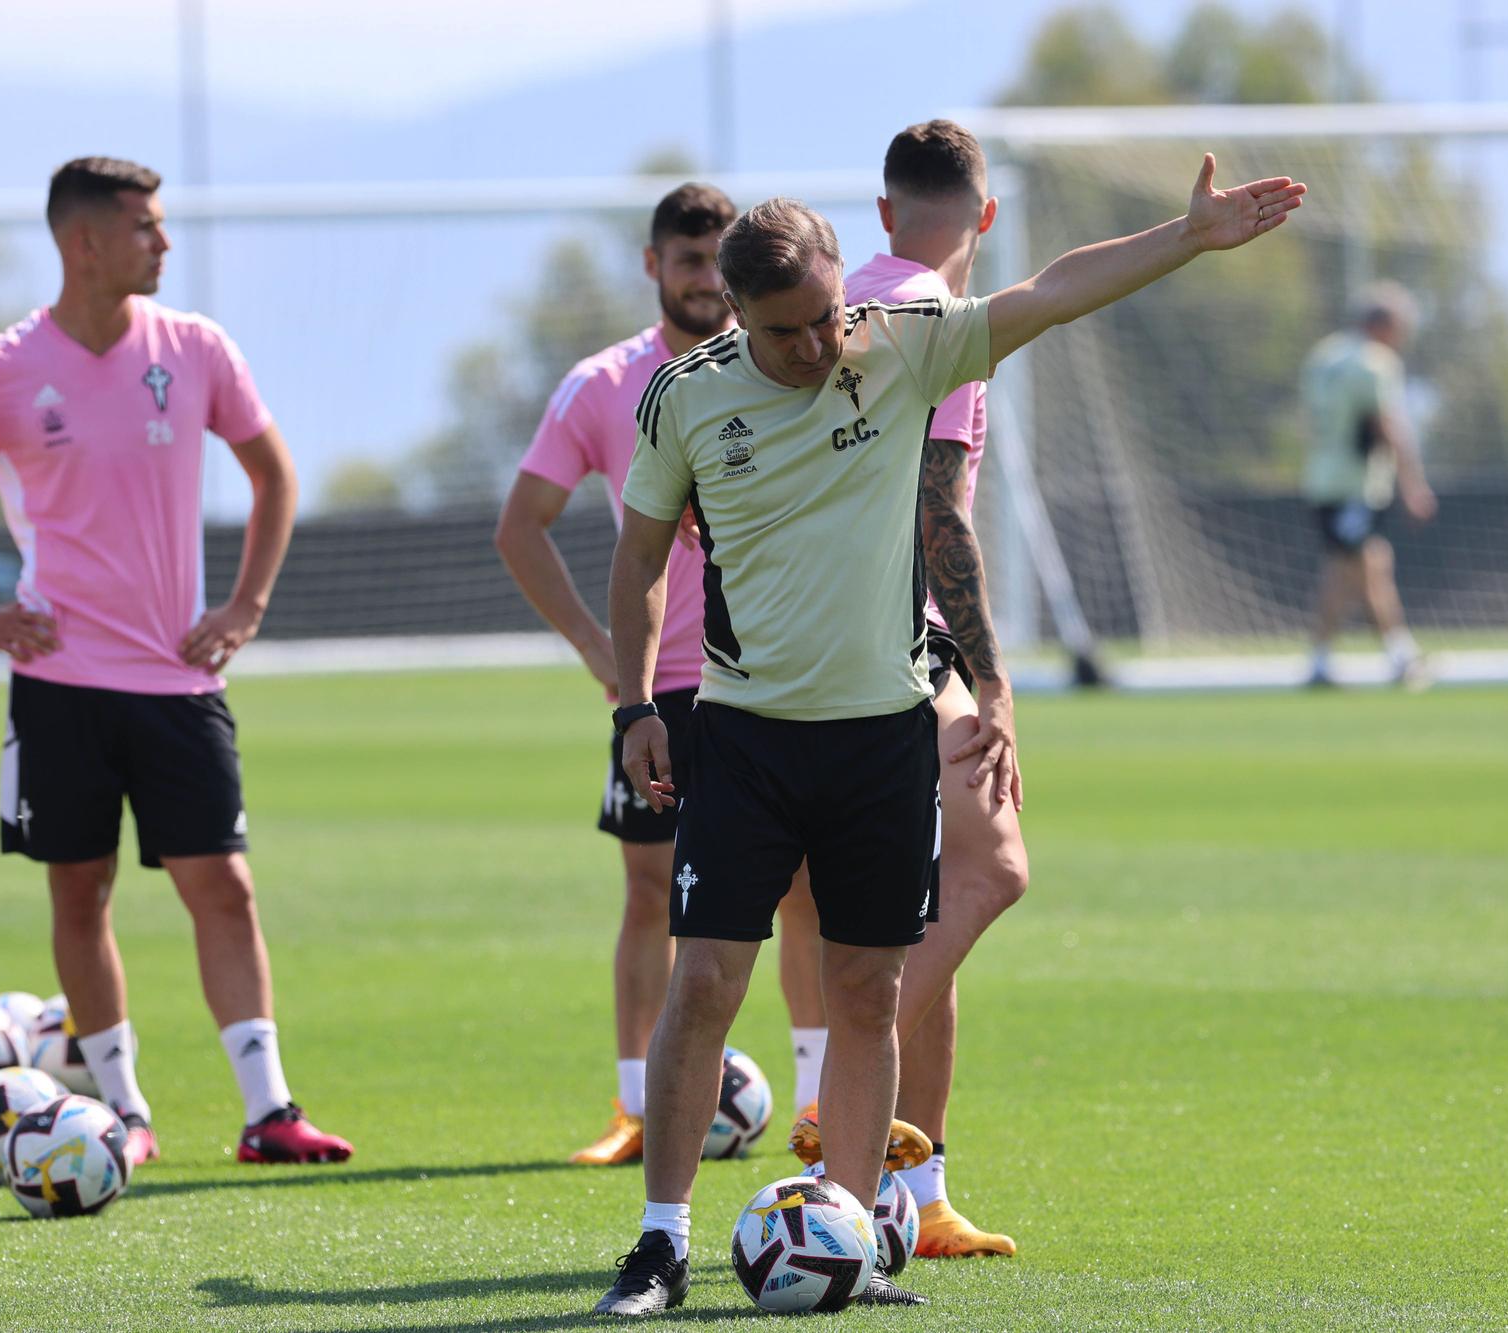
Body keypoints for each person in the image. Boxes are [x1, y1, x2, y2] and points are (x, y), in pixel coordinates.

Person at [593, 154, 1305, 1316]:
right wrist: (631, 706)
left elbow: (1049, 292)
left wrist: (1185, 240)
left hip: (880, 737)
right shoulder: (686, 398)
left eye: (827, 316)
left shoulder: (898, 345)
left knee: (867, 991)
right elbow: (635, 561)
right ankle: (660, 1244)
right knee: (710, 980)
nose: (818, 347)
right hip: (745, 737)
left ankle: (848, 1233)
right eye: (787, 333)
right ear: (736, 317)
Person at [0, 157, 352, 1168]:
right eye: (146, 226)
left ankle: (269, 1111)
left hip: (180, 682)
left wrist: (245, 605)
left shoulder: (197, 348)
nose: (165, 242)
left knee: (223, 885)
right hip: (58, 685)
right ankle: (125, 1114)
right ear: (83, 242)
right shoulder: (1, 366)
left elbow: (272, 474)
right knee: (78, 894)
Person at [497, 182, 836, 1164]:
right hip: (664, 684)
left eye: (711, 260)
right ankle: (634, 1108)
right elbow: (520, 528)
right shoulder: (602, 385)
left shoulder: (787, 360)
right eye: (682, 261)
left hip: (776, 674)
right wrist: (605, 658)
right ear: (653, 266)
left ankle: (815, 1103)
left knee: (802, 889)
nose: (699, 279)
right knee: (651, 893)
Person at [774, 119, 1024, 1259]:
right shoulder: (940, 320)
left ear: (881, 214)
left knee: (922, 916)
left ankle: (914, 1201)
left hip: (789, 650)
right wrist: (992, 679)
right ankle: (839, 1111)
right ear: (983, 216)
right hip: (899, 651)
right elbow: (942, 517)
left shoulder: (833, 305)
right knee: (996, 868)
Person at [1300, 282, 1437, 688]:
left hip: (1323, 477)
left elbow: (1309, 422)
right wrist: (1413, 484)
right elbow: (1386, 425)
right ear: (1384, 325)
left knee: (1370, 565)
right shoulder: (1374, 363)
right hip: (1353, 485)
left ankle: (1397, 655)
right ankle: (1331, 662)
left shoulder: (1324, 355)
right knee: (1349, 571)